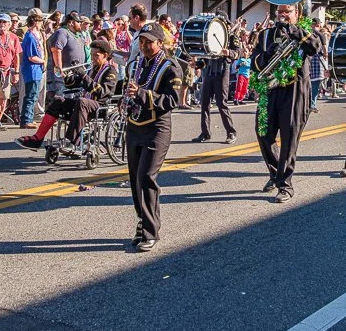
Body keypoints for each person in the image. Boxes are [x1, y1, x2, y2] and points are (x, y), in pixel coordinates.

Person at [251, 3, 325, 203]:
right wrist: (267, 55)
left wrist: (293, 31)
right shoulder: (265, 35)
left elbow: (315, 47)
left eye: (287, 12)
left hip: (294, 90)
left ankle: (285, 185)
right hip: (270, 90)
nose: (283, 15)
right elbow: (254, 62)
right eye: (280, 12)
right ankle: (276, 173)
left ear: (296, 13)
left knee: (289, 137)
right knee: (263, 132)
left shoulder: (305, 32)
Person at [124, 24, 180, 251]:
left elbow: (172, 100)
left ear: (160, 43)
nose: (144, 46)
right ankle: (142, 221)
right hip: (135, 126)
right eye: (141, 41)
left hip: (156, 128)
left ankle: (151, 231)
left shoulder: (170, 67)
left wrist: (141, 94)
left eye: (149, 42)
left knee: (146, 177)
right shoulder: (136, 64)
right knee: (135, 179)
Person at [16, 39, 118, 150]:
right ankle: (37, 138)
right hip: (83, 106)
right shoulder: (92, 69)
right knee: (58, 100)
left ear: (105, 55)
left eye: (96, 55)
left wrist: (83, 75)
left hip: (99, 106)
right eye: (92, 54)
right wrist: (68, 77)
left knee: (82, 102)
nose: (93, 58)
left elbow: (101, 92)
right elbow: (72, 85)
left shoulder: (110, 71)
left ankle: (72, 141)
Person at [192, 13, 240, 144]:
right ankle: (205, 133)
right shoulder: (210, 35)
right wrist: (198, 64)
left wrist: (228, 52)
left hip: (222, 71)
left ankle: (231, 132)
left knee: (221, 103)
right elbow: (207, 57)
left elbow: (238, 53)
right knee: (204, 103)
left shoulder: (231, 37)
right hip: (209, 71)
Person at [0, 14, 22, 130]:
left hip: (6, 71)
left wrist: (16, 72)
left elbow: (16, 56)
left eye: (4, 22)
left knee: (4, 97)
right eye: (0, 22)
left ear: (9, 24)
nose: (2, 24)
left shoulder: (14, 37)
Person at [19, 14, 46, 129]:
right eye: (40, 22)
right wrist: (43, 61)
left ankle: (29, 118)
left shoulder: (35, 36)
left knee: (33, 95)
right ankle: (26, 120)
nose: (41, 25)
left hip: (36, 70)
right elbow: (31, 57)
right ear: (35, 22)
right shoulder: (30, 37)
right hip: (32, 70)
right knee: (31, 95)